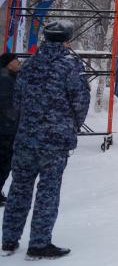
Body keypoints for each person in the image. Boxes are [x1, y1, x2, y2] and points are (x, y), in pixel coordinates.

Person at [2, 20, 89, 259]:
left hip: (25, 138)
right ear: (66, 41)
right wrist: (71, 125)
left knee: (19, 189)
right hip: (54, 141)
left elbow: (17, 101)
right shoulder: (71, 66)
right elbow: (80, 103)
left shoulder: (28, 66)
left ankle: (9, 240)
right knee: (47, 192)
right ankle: (39, 244)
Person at [0, 53, 21, 206]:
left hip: (8, 128)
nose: (18, 61)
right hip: (5, 129)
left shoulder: (11, 77)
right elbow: (7, 105)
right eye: (15, 59)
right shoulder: (5, 79)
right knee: (4, 163)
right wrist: (19, 118)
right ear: (8, 63)